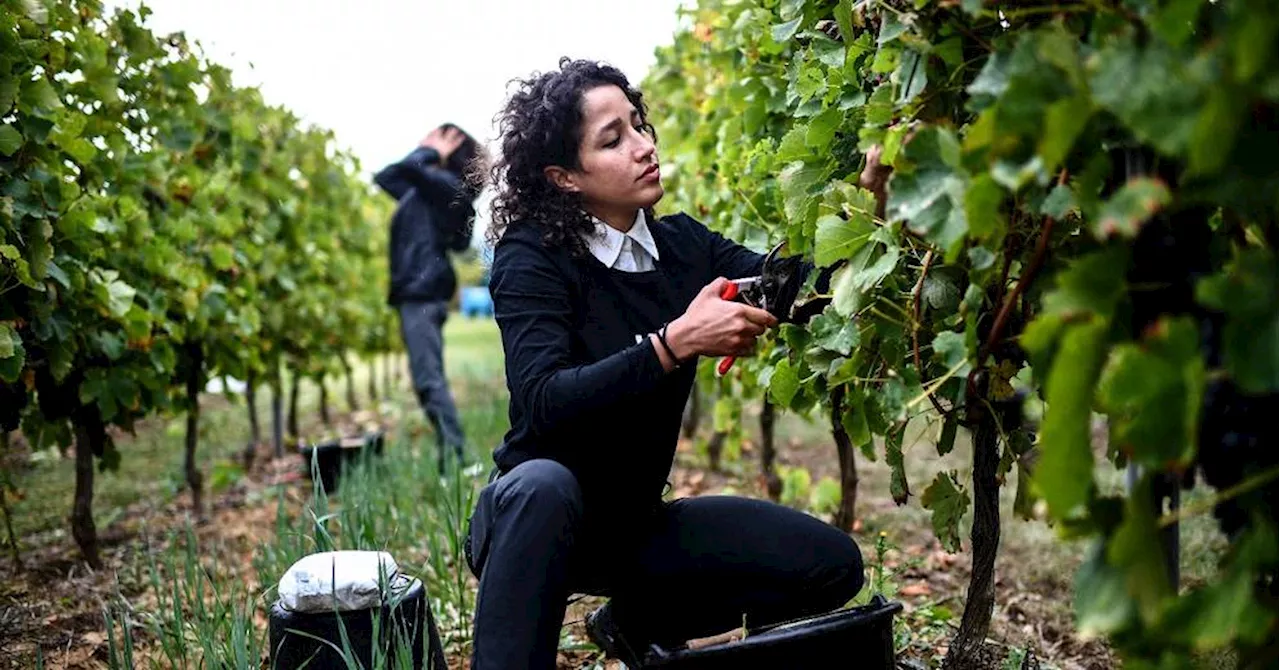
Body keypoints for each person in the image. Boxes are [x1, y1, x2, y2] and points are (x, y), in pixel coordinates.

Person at [464, 58, 865, 669]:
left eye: (638, 125)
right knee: (544, 485)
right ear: (564, 177)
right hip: (534, 520)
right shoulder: (532, 256)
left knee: (832, 565)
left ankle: (632, 627)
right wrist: (672, 343)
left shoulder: (682, 247)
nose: (644, 146)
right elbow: (544, 400)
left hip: (632, 529)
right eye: (613, 139)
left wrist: (870, 212)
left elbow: (796, 290)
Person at [374, 123, 484, 473]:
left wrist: (432, 152)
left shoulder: (446, 187)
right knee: (428, 377)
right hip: (418, 291)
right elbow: (387, 177)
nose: (422, 142)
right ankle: (451, 456)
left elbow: (405, 168)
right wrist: (430, 155)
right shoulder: (428, 191)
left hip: (421, 292)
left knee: (427, 378)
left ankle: (459, 459)